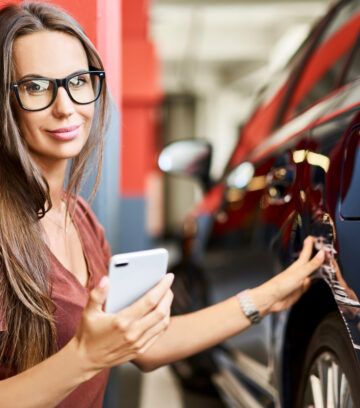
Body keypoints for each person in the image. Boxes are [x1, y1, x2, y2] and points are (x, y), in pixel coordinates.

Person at [0, 2, 325, 407]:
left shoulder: (79, 218)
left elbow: (150, 348)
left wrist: (264, 298)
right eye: (35, 87)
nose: (65, 105)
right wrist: (84, 357)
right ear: (5, 101)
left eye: (79, 81)